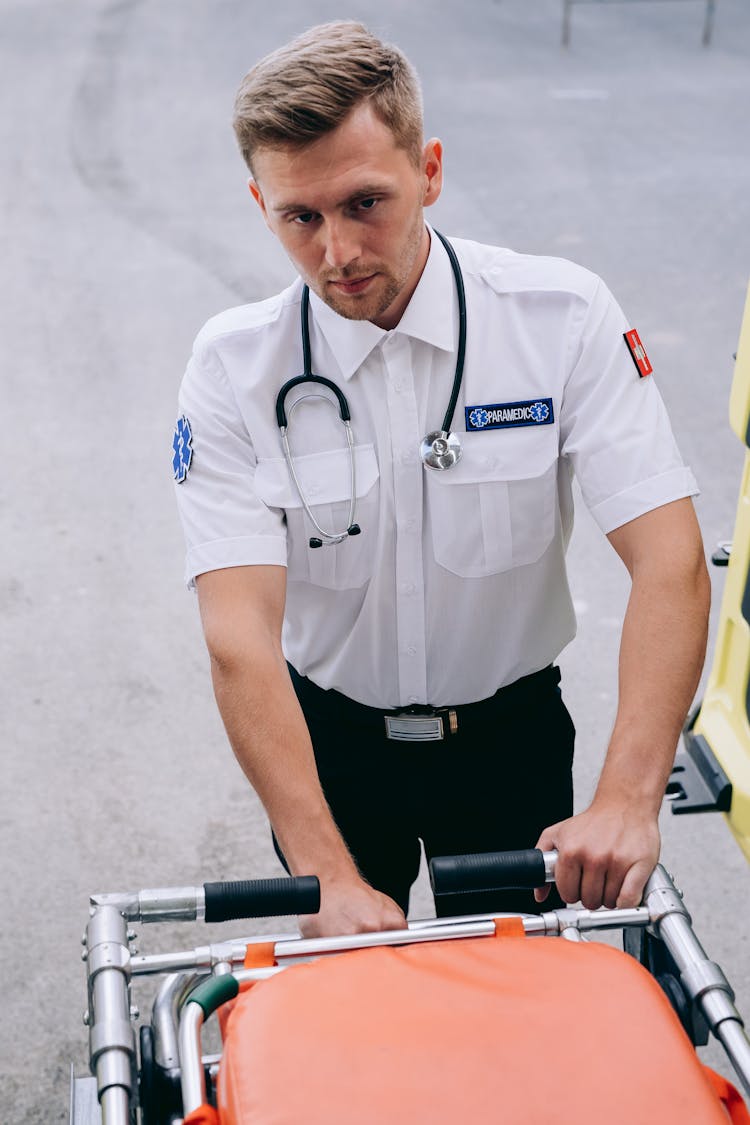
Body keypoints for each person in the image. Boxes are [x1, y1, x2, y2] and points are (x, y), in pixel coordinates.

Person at [172, 21, 710, 937]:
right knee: (352, 1022)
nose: (336, 252)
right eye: (299, 217)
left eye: (364, 203)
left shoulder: (560, 319)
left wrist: (626, 799)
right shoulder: (233, 370)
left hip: (508, 745)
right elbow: (240, 636)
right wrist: (325, 875)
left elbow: (671, 561)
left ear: (429, 171)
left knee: (517, 1025)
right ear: (260, 200)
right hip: (330, 754)